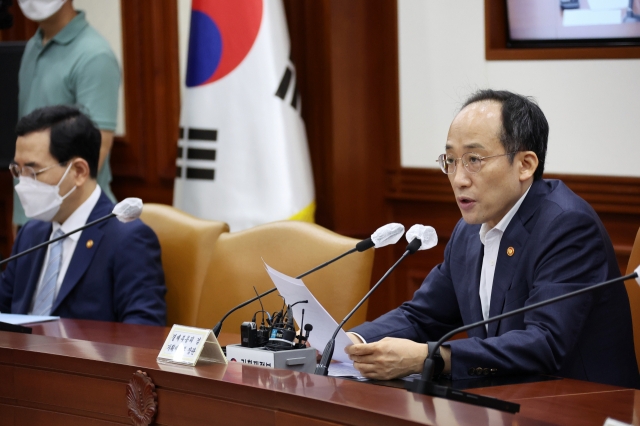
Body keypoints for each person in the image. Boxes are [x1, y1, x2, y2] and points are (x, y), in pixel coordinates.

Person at [346, 89, 639, 388]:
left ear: (525, 164)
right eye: (450, 160)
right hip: (510, 400)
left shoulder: (567, 226)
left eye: (474, 159)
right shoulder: (470, 230)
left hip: (582, 405)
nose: (459, 178)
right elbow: (422, 316)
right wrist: (349, 343)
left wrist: (431, 357)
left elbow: (544, 343)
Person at [0, 105, 166, 326]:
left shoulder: (128, 239)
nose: (22, 183)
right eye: (18, 171)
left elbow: (143, 333)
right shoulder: (32, 232)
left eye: (32, 171)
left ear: (78, 171)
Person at [14, 0, 119, 229]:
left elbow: (97, 148)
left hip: (76, 221)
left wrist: (48, 223)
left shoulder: (94, 54)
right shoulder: (33, 46)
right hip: (33, 220)